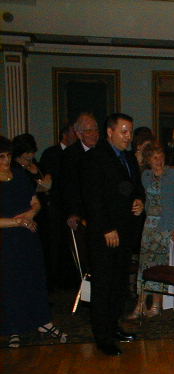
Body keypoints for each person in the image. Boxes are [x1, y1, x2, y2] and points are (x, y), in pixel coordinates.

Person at [82, 113, 145, 356]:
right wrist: (107, 228)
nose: (128, 136)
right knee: (103, 286)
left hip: (125, 231)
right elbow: (93, 198)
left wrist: (139, 201)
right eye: (123, 131)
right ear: (110, 132)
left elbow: (136, 188)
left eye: (130, 131)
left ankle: (113, 326)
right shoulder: (96, 158)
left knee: (119, 285)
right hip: (105, 234)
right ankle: (103, 337)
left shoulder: (128, 157)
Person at [0, 136, 68, 348]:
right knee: (11, 283)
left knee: (35, 277)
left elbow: (35, 202)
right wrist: (19, 221)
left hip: (28, 235)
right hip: (6, 239)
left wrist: (29, 215)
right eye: (1, 157)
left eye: (8, 156)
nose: (6, 160)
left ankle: (43, 322)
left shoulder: (19, 174)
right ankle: (14, 328)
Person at [129, 143, 174, 318]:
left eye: (161, 156)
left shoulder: (172, 175)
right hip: (149, 227)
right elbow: (141, 197)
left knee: (158, 266)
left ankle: (155, 305)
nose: (159, 160)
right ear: (148, 160)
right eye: (155, 157)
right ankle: (140, 304)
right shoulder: (145, 176)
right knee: (144, 266)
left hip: (165, 226)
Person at [38, 122, 77, 289]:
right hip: (55, 206)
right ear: (64, 134)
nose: (76, 136)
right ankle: (55, 281)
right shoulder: (51, 153)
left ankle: (69, 279)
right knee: (55, 243)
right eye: (74, 133)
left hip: (69, 205)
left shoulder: (75, 153)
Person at [62, 112, 100, 230]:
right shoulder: (70, 155)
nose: (94, 134)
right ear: (79, 134)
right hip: (82, 211)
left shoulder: (103, 151)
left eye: (96, 130)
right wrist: (73, 212)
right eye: (89, 131)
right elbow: (69, 187)